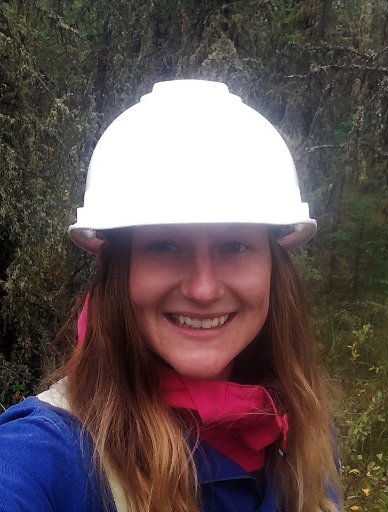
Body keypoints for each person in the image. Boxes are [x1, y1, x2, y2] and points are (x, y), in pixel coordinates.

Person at [0, 80, 340, 511]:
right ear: (118, 272)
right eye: (164, 246)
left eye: (235, 246)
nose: (203, 289)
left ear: (275, 269)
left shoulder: (304, 432)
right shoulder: (46, 459)